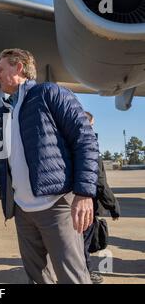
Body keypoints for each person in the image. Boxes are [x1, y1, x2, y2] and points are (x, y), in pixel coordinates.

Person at [0, 48, 99, 284]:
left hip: (56, 205)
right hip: (23, 212)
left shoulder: (50, 93)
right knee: (37, 278)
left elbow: (85, 140)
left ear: (19, 68)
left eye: (0, 69)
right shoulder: (5, 113)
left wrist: (84, 193)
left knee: (72, 277)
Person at [83, 111, 120, 284]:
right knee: (83, 243)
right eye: (92, 125)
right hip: (85, 205)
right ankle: (85, 274)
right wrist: (112, 205)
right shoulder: (88, 146)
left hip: (63, 204)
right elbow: (99, 181)